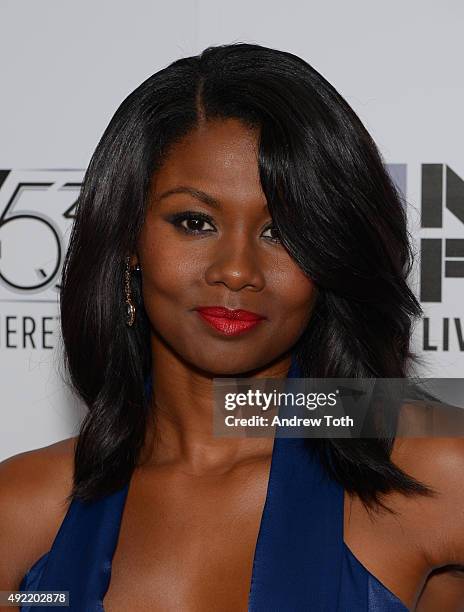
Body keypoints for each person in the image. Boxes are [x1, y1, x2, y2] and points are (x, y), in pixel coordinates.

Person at [1, 42, 463, 612]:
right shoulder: (24, 510)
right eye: (194, 222)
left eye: (281, 232)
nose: (238, 271)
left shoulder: (428, 469)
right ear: (129, 242)